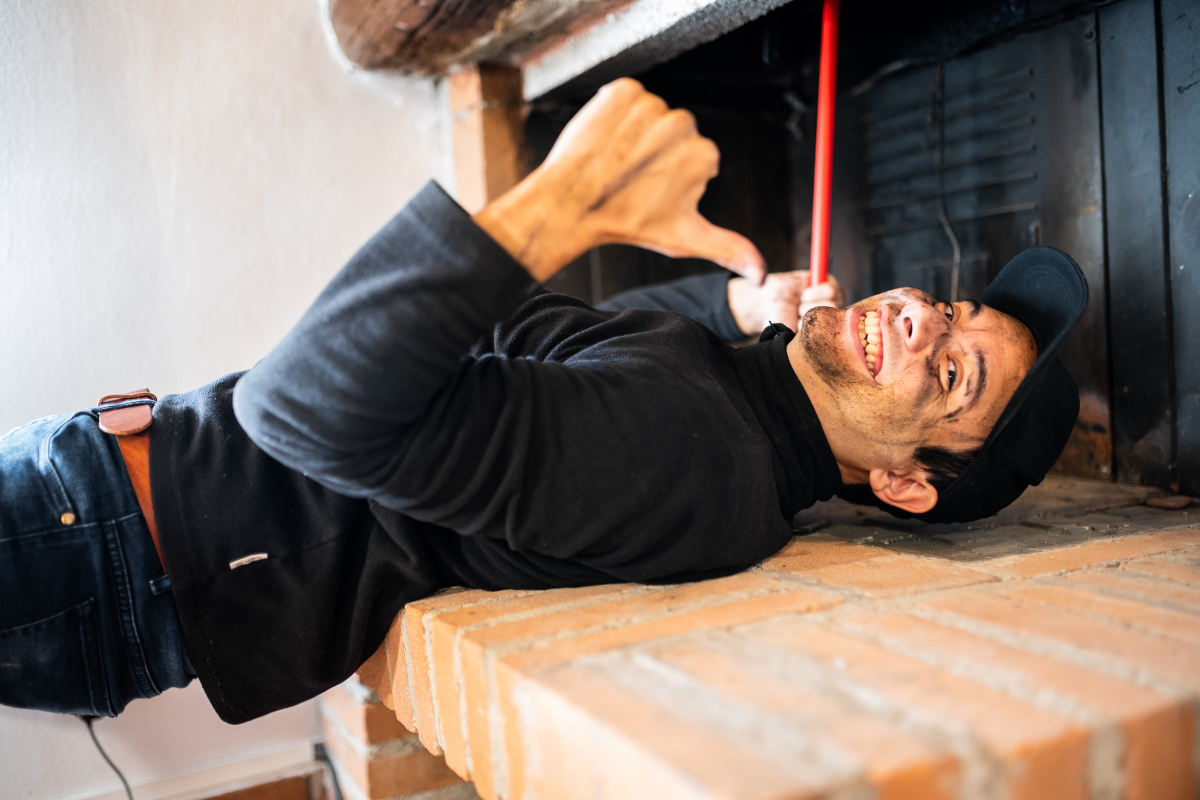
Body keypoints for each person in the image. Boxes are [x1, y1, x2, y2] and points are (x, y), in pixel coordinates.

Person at [0, 79, 1085, 725]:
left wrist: (567, 199)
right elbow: (566, 349)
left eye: (953, 374)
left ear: (903, 484)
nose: (922, 317)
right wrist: (732, 302)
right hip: (102, 523)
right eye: (951, 307)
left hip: (96, 548)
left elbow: (298, 413)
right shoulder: (720, 397)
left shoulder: (700, 455)